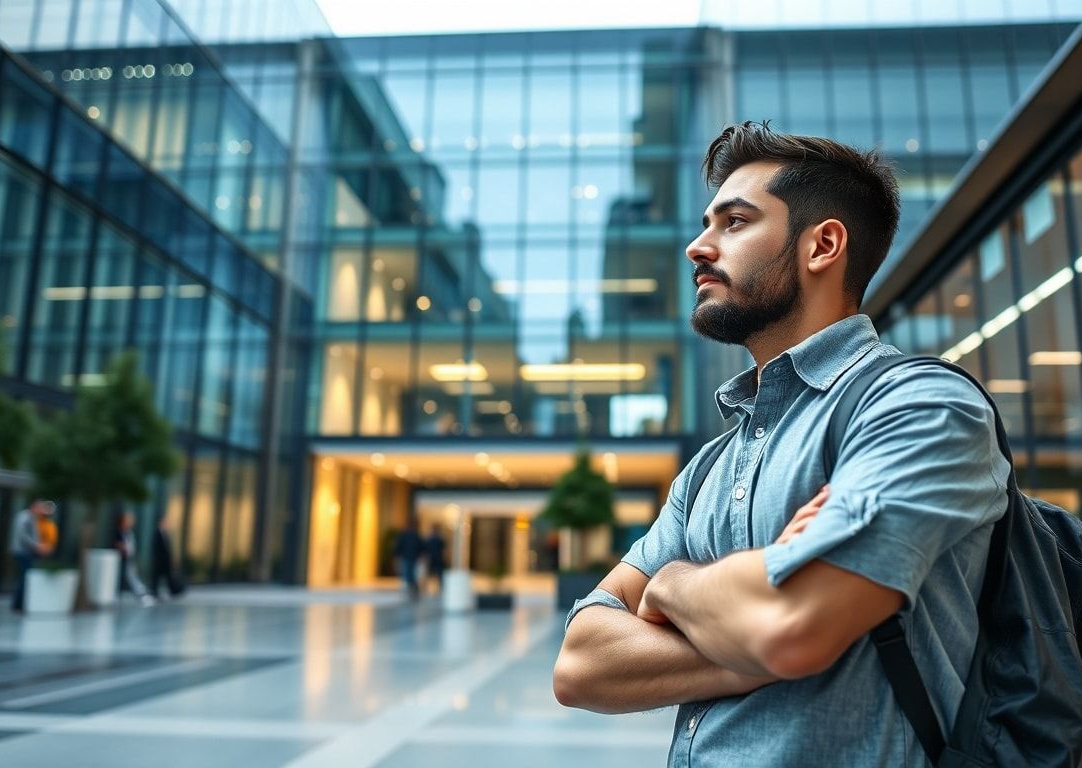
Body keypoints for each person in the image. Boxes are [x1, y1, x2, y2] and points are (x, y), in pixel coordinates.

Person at [553, 122, 1008, 767]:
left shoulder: (919, 407)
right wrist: (749, 642)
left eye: (734, 222)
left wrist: (673, 586)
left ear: (822, 245)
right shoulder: (712, 464)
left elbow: (794, 632)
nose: (697, 247)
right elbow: (580, 665)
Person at [9, 500, 54, 612]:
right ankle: (18, 604)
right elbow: (23, 536)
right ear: (34, 507)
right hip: (22, 552)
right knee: (25, 577)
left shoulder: (33, 519)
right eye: (40, 508)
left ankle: (21, 603)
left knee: (26, 577)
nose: (41, 511)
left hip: (28, 552)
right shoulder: (24, 517)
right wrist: (37, 546)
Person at [113, 513, 155, 606]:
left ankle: (143, 595)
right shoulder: (118, 532)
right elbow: (117, 544)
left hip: (129, 559)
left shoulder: (128, 533)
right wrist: (123, 548)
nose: (129, 523)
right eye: (127, 521)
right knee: (125, 577)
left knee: (132, 577)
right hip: (121, 559)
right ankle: (141, 595)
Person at [150, 516, 184, 599]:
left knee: (167, 577)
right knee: (157, 578)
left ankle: (173, 591)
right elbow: (155, 548)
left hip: (166, 561)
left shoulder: (166, 534)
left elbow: (168, 549)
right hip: (159, 561)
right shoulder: (157, 533)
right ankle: (155, 592)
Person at [393, 526, 424, 599]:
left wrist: (396, 555)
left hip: (406, 557)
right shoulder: (416, 536)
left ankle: (411, 588)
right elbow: (421, 546)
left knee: (407, 573)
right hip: (413, 558)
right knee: (410, 573)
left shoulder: (404, 536)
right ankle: (412, 588)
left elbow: (398, 546)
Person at [423, 525, 446, 593]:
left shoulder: (430, 539)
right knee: (434, 576)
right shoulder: (439, 539)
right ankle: (431, 589)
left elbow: (426, 551)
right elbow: (444, 551)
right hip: (436, 560)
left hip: (435, 560)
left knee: (435, 575)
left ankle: (429, 589)